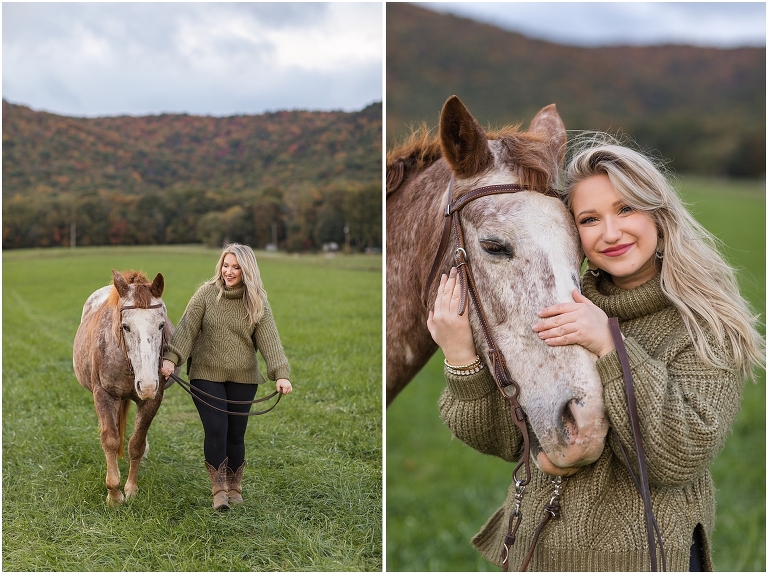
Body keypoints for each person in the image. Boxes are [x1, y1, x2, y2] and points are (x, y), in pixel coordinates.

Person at [427, 136, 764, 571]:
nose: (610, 232)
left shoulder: (707, 324)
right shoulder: (562, 306)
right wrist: (461, 358)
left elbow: (678, 454)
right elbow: (504, 440)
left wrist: (609, 344)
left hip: (643, 560)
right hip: (537, 553)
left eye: (626, 209)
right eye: (589, 219)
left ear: (659, 216)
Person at [161, 243, 292, 510]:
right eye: (225, 265)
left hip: (243, 377)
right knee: (217, 429)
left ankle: (235, 487)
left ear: (247, 270)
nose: (228, 271)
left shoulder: (257, 303)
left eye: (236, 267)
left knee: (236, 434)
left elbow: (270, 341)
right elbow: (185, 330)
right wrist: (170, 359)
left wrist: (281, 374)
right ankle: (219, 490)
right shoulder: (206, 294)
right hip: (206, 375)